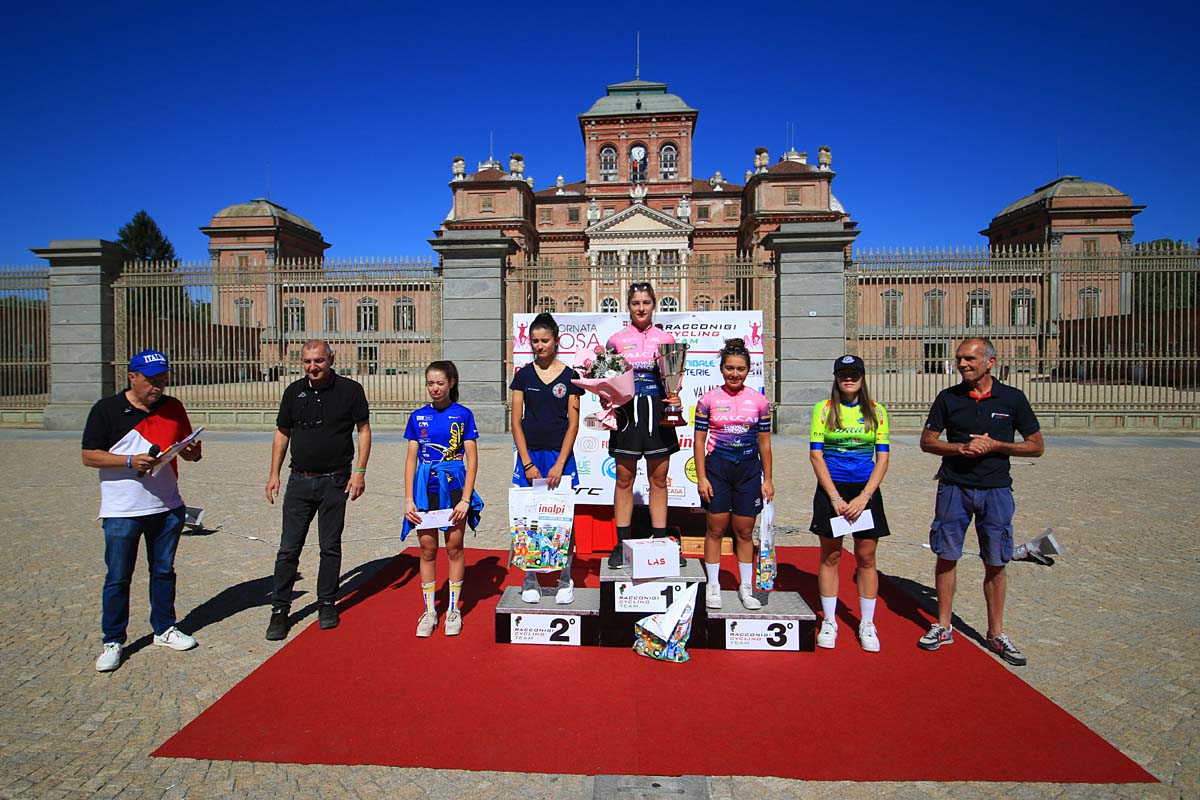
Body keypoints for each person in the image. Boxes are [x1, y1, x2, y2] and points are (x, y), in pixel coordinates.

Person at [918, 337, 1044, 666]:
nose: (962, 364)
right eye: (959, 359)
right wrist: (959, 448)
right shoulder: (948, 398)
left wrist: (997, 445)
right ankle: (943, 625)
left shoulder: (1013, 399)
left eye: (970, 359)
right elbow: (927, 442)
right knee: (946, 555)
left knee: (997, 561)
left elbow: (1035, 446)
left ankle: (995, 632)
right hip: (954, 488)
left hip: (996, 490)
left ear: (990, 362)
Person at [82, 349, 203, 672]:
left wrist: (192, 450)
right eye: (151, 381)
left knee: (163, 572)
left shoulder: (173, 408)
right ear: (132, 376)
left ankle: (164, 628)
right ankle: (113, 639)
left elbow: (190, 454)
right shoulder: (106, 410)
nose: (158, 387)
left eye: (162, 381)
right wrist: (128, 461)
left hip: (167, 506)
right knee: (119, 577)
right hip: (122, 509)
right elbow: (89, 455)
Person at [264, 340, 371, 641]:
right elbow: (282, 432)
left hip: (335, 480)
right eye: (308, 362)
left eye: (319, 361)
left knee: (330, 546)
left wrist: (360, 472)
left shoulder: (350, 391)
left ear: (331, 359)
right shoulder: (293, 392)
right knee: (288, 549)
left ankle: (326, 602)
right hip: (299, 480)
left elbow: (363, 430)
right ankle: (280, 609)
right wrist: (274, 474)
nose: (313, 367)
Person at [808, 355, 892, 652]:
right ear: (836, 377)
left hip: (864, 491)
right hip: (832, 489)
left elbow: (882, 458)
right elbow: (816, 456)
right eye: (843, 373)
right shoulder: (824, 409)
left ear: (862, 376)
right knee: (830, 556)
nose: (849, 378)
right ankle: (829, 621)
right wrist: (834, 497)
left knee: (866, 557)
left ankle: (867, 623)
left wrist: (864, 496)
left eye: (854, 373)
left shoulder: (877, 411)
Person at [605, 282, 685, 569]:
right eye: (636, 303)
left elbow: (673, 379)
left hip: (657, 410)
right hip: (627, 412)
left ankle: (661, 540)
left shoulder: (666, 338)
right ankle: (621, 544)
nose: (641, 308)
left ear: (654, 305)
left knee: (659, 480)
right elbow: (608, 380)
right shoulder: (615, 340)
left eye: (646, 303)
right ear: (628, 306)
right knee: (624, 480)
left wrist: (675, 393)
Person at [403, 360, 484, 637]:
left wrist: (465, 498)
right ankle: (429, 611)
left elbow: (472, 460)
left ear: (451, 383)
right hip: (426, 492)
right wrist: (408, 499)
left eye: (440, 382)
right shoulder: (417, 417)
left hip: (453, 491)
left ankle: (453, 609)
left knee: (454, 547)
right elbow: (411, 460)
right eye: (430, 383)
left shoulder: (463, 415)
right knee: (426, 549)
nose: (435, 388)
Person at [694, 338, 774, 611]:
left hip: (748, 472)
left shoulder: (760, 401)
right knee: (715, 529)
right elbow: (698, 441)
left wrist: (768, 479)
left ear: (748, 369)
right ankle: (713, 585)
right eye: (729, 368)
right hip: (717, 469)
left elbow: (765, 443)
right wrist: (702, 478)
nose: (735, 374)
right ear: (722, 369)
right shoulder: (708, 400)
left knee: (744, 532)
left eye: (740, 368)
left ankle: (745, 586)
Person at [510, 312, 584, 604]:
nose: (539, 346)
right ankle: (531, 578)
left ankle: (565, 576)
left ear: (556, 341)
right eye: (535, 341)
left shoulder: (571, 376)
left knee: (563, 519)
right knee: (529, 520)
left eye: (545, 341)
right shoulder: (523, 376)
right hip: (530, 457)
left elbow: (573, 423)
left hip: (559, 458)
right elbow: (517, 422)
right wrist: (527, 462)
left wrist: (560, 464)